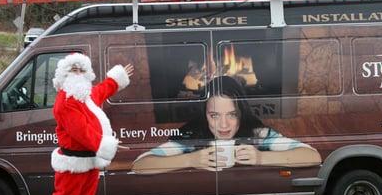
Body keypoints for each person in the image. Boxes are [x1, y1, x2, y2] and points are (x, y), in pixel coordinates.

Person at [131, 75, 321, 174]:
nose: (223, 124)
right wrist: (190, 160)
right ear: (204, 115)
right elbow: (140, 165)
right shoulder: (191, 135)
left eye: (231, 114)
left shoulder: (257, 133)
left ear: (241, 113)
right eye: (214, 115)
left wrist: (261, 158)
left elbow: (312, 156)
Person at [43, 53, 133, 195]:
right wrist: (110, 145)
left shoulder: (86, 96)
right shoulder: (65, 102)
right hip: (72, 161)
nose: (78, 74)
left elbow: (101, 91)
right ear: (65, 75)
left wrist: (115, 79)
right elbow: (81, 131)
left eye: (81, 70)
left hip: (90, 160)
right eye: (74, 70)